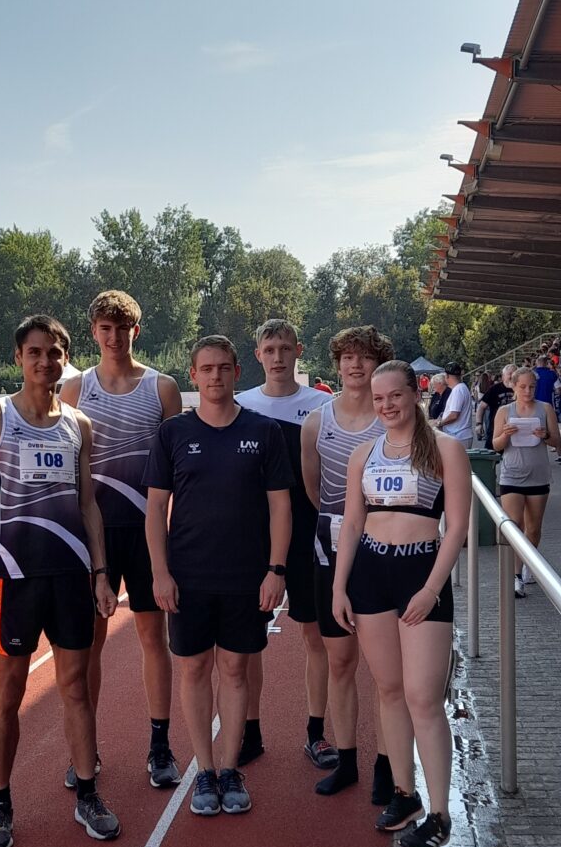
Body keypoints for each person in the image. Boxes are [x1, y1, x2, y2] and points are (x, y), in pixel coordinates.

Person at [0, 313, 120, 847]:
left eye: (54, 353)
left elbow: (88, 504)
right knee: (8, 693)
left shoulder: (80, 424)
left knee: (76, 688)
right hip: (15, 580)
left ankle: (88, 795)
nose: (45, 362)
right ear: (19, 358)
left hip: (71, 578)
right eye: (35, 353)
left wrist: (101, 573)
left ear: (64, 358)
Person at [144, 336, 292, 815]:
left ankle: (230, 769)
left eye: (224, 368)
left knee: (234, 670)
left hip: (246, 577)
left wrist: (276, 570)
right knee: (194, 669)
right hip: (188, 577)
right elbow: (155, 510)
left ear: (235, 372)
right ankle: (203, 772)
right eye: (206, 368)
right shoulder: (172, 435)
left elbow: (280, 507)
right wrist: (160, 572)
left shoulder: (264, 432)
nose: (215, 377)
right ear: (193, 375)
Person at [332, 360, 471, 847]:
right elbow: (351, 525)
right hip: (370, 574)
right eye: (379, 399)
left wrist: (433, 588)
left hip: (420, 575)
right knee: (389, 689)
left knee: (422, 697)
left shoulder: (447, 451)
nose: (387, 405)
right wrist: (339, 587)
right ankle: (404, 793)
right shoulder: (362, 455)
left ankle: (440, 813)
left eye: (396, 395)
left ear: (415, 394)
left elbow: (456, 527)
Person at [59, 290, 184, 789]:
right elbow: (69, 470)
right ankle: (86, 751)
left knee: (154, 639)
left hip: (147, 532)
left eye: (122, 328)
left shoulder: (163, 389)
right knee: (88, 647)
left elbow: (178, 467)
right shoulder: (74, 391)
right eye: (105, 329)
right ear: (93, 333)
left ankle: (160, 745)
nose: (114, 337)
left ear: (138, 331)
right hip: (92, 535)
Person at [300, 324, 396, 802]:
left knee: (384, 670)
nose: (356, 366)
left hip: (381, 550)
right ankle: (347, 760)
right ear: (337, 363)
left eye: (366, 358)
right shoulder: (317, 422)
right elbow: (315, 491)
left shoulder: (396, 421)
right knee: (339, 661)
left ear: (378, 364)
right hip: (329, 545)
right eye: (348, 358)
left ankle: (385, 764)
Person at [235, 318, 335, 768]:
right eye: (268, 350)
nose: (277, 358)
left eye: (284, 349)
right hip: (256, 539)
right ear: (257, 355)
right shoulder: (241, 405)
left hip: (309, 534)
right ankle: (250, 732)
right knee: (250, 640)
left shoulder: (321, 405)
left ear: (298, 351)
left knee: (315, 636)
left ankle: (316, 733)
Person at [492, 367, 561, 597]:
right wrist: (506, 435)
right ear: (513, 386)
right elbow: (496, 445)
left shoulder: (545, 409)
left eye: (532, 386)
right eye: (523, 386)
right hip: (511, 475)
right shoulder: (504, 410)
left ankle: (530, 563)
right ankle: (516, 575)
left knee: (533, 528)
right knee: (514, 526)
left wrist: (544, 436)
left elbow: (556, 441)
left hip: (538, 475)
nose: (528, 391)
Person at [475, 364, 515, 450]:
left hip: (515, 431)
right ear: (503, 376)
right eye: (510, 373)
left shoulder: (520, 389)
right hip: (495, 430)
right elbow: (481, 407)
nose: (512, 376)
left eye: (515, 374)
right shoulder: (494, 389)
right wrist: (479, 424)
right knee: (492, 458)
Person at [434, 363, 473, 448]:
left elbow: (454, 415)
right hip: (460, 435)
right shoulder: (461, 388)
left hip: (459, 435)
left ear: (447, 376)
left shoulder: (458, 390)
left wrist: (439, 423)